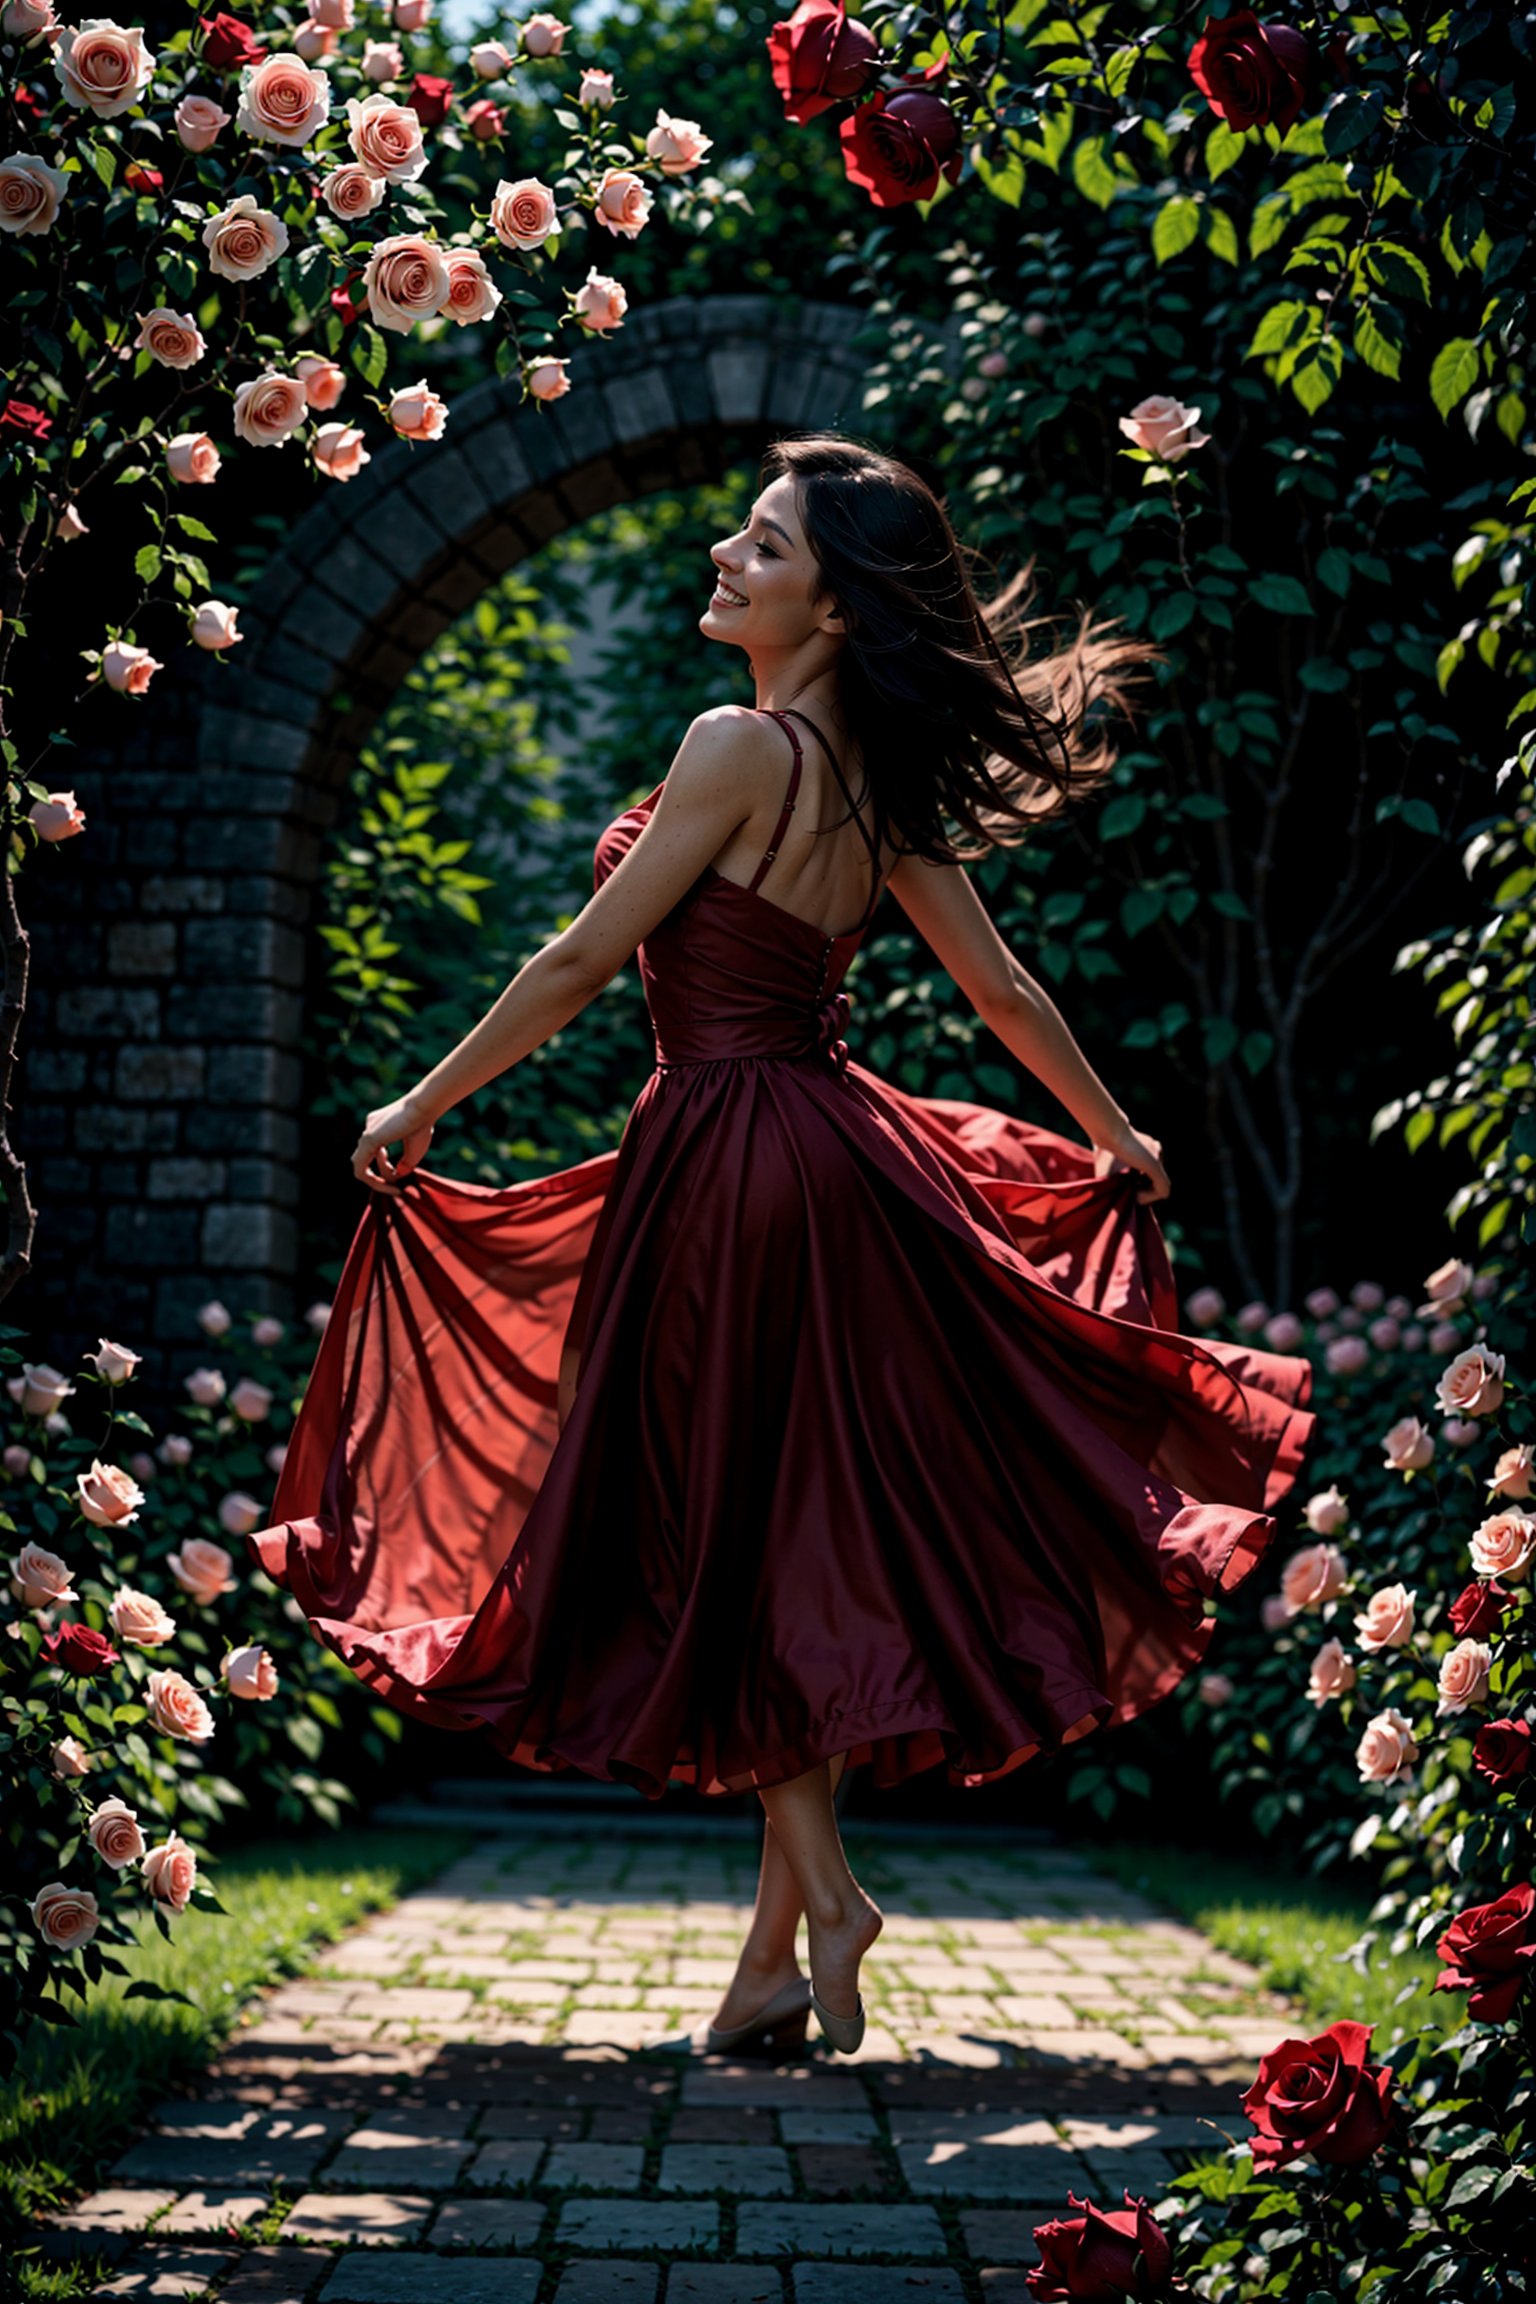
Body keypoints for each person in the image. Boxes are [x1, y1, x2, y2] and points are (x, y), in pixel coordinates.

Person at [249, 433, 1316, 2062]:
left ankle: (828, 1898)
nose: (726, 563)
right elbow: (1004, 994)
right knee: (765, 1526)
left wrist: (421, 1096)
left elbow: (583, 958)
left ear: (829, 605)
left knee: (720, 1529)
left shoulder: (736, 744)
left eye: (762, 548)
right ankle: (778, 1953)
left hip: (730, 1160)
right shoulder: (875, 773)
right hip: (824, 1153)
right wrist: (1116, 1136)